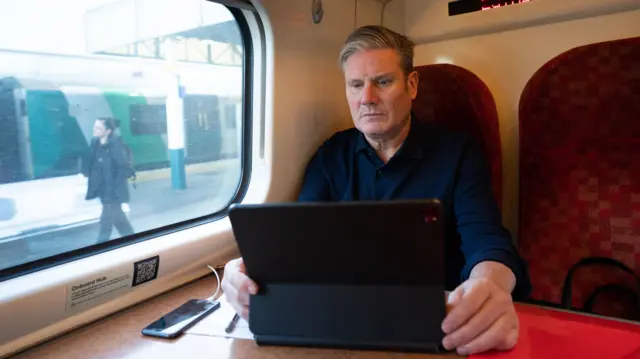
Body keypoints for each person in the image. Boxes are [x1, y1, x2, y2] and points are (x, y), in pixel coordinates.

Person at [221, 25, 531, 355]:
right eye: (356, 85)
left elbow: (487, 242)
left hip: (439, 327)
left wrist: (490, 286)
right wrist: (246, 270)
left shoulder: (459, 153)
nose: (366, 98)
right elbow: (299, 243)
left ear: (411, 86)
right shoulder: (330, 156)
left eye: (382, 82)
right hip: (345, 323)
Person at [82, 117, 135, 243]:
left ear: (108, 131)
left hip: (112, 190)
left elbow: (122, 169)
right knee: (119, 220)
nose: (94, 129)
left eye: (98, 128)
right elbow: (90, 163)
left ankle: (99, 246)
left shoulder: (116, 145)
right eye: (94, 126)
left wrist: (115, 190)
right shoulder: (95, 143)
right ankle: (133, 241)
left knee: (107, 221)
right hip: (102, 188)